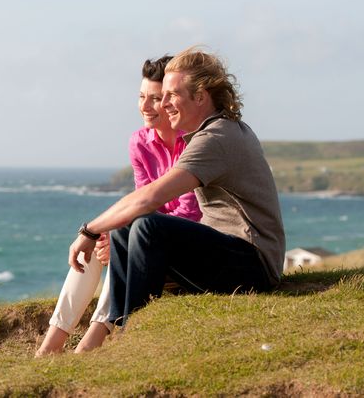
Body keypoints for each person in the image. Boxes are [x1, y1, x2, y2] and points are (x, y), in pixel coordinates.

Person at [67, 46, 285, 328]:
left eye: (172, 95)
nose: (163, 103)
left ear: (200, 96)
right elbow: (143, 198)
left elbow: (152, 197)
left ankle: (136, 327)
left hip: (254, 266)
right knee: (124, 227)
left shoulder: (216, 137)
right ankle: (122, 325)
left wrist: (90, 230)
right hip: (230, 253)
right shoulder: (214, 131)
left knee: (149, 227)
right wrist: (103, 228)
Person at [35, 55, 201, 357]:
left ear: (170, 102)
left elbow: (191, 215)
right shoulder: (139, 142)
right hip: (152, 234)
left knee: (122, 241)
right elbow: (141, 204)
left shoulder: (193, 143)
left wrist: (128, 238)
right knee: (101, 242)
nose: (144, 107)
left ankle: (93, 340)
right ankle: (52, 343)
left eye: (154, 99)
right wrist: (113, 235)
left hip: (186, 247)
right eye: (141, 97)